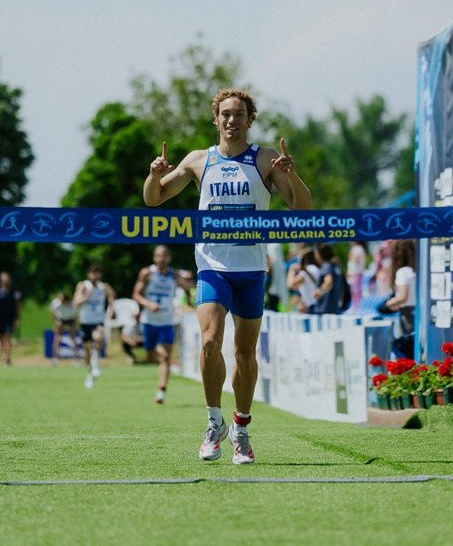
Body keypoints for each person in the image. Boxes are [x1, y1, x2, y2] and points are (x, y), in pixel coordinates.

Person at [143, 87, 312, 464]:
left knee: (245, 353)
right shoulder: (199, 160)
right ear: (215, 119)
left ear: (249, 120)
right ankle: (213, 422)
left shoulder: (265, 159)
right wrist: (154, 176)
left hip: (250, 269)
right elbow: (153, 199)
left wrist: (292, 175)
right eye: (225, 114)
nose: (231, 120)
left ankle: (242, 429)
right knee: (208, 343)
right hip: (212, 266)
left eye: (239, 114)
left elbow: (303, 206)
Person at [132, 245, 195, 404]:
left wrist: (188, 299)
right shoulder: (147, 273)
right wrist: (148, 304)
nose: (162, 259)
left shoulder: (174, 276)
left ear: (169, 258)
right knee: (151, 355)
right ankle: (150, 353)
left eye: (164, 256)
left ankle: (161, 391)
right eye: (159, 256)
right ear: (154, 258)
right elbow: (136, 294)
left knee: (166, 355)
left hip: (167, 321)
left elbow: (186, 287)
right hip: (149, 321)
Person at [74, 264, 116, 389]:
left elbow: (112, 295)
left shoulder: (104, 287)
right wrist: (86, 297)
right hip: (85, 321)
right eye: (93, 273)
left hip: (98, 320)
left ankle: (96, 366)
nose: (95, 275)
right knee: (87, 352)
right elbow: (76, 302)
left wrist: (111, 309)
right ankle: (91, 373)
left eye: (97, 273)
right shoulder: (83, 286)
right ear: (89, 274)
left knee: (98, 338)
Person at [383, 239, 417, 358]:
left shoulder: (403, 272)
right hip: (418, 312)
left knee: (405, 350)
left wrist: (388, 304)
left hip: (408, 315)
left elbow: (402, 297)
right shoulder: (416, 270)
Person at [0, 272, 21, 366]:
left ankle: (7, 357)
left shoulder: (13, 291)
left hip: (10, 318)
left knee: (8, 337)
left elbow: (18, 305)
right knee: (1, 338)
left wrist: (17, 318)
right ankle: (3, 356)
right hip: (0, 318)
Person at [312, 244, 345, 315]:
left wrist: (318, 292)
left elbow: (329, 282)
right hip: (335, 307)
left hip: (325, 307)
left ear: (320, 254)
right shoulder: (335, 266)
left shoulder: (326, 266)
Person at [287, 249, 320, 314]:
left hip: (311, 306)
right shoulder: (316, 269)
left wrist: (292, 270)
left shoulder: (306, 271)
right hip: (317, 304)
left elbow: (291, 285)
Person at [49, 291, 77, 366]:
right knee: (57, 337)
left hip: (70, 319)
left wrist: (73, 326)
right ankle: (55, 358)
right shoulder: (56, 303)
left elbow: (75, 317)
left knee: (73, 338)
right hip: (60, 319)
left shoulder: (72, 306)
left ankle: (75, 358)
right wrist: (55, 322)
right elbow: (52, 313)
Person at [346, 241, 367, 309]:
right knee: (354, 291)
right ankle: (356, 306)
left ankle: (357, 307)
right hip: (354, 273)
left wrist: (350, 255)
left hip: (356, 273)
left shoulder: (357, 248)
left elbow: (355, 259)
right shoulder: (358, 248)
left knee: (356, 291)